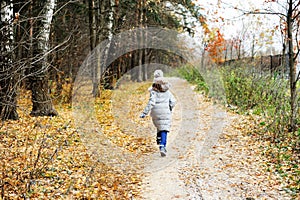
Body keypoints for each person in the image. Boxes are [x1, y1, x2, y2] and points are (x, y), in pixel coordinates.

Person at [140, 74, 176, 157]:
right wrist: (170, 108)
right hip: (165, 112)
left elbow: (151, 103)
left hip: (155, 113)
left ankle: (159, 139)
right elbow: (173, 101)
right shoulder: (168, 92)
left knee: (159, 125)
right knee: (164, 128)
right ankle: (162, 146)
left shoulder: (153, 92)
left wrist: (144, 113)